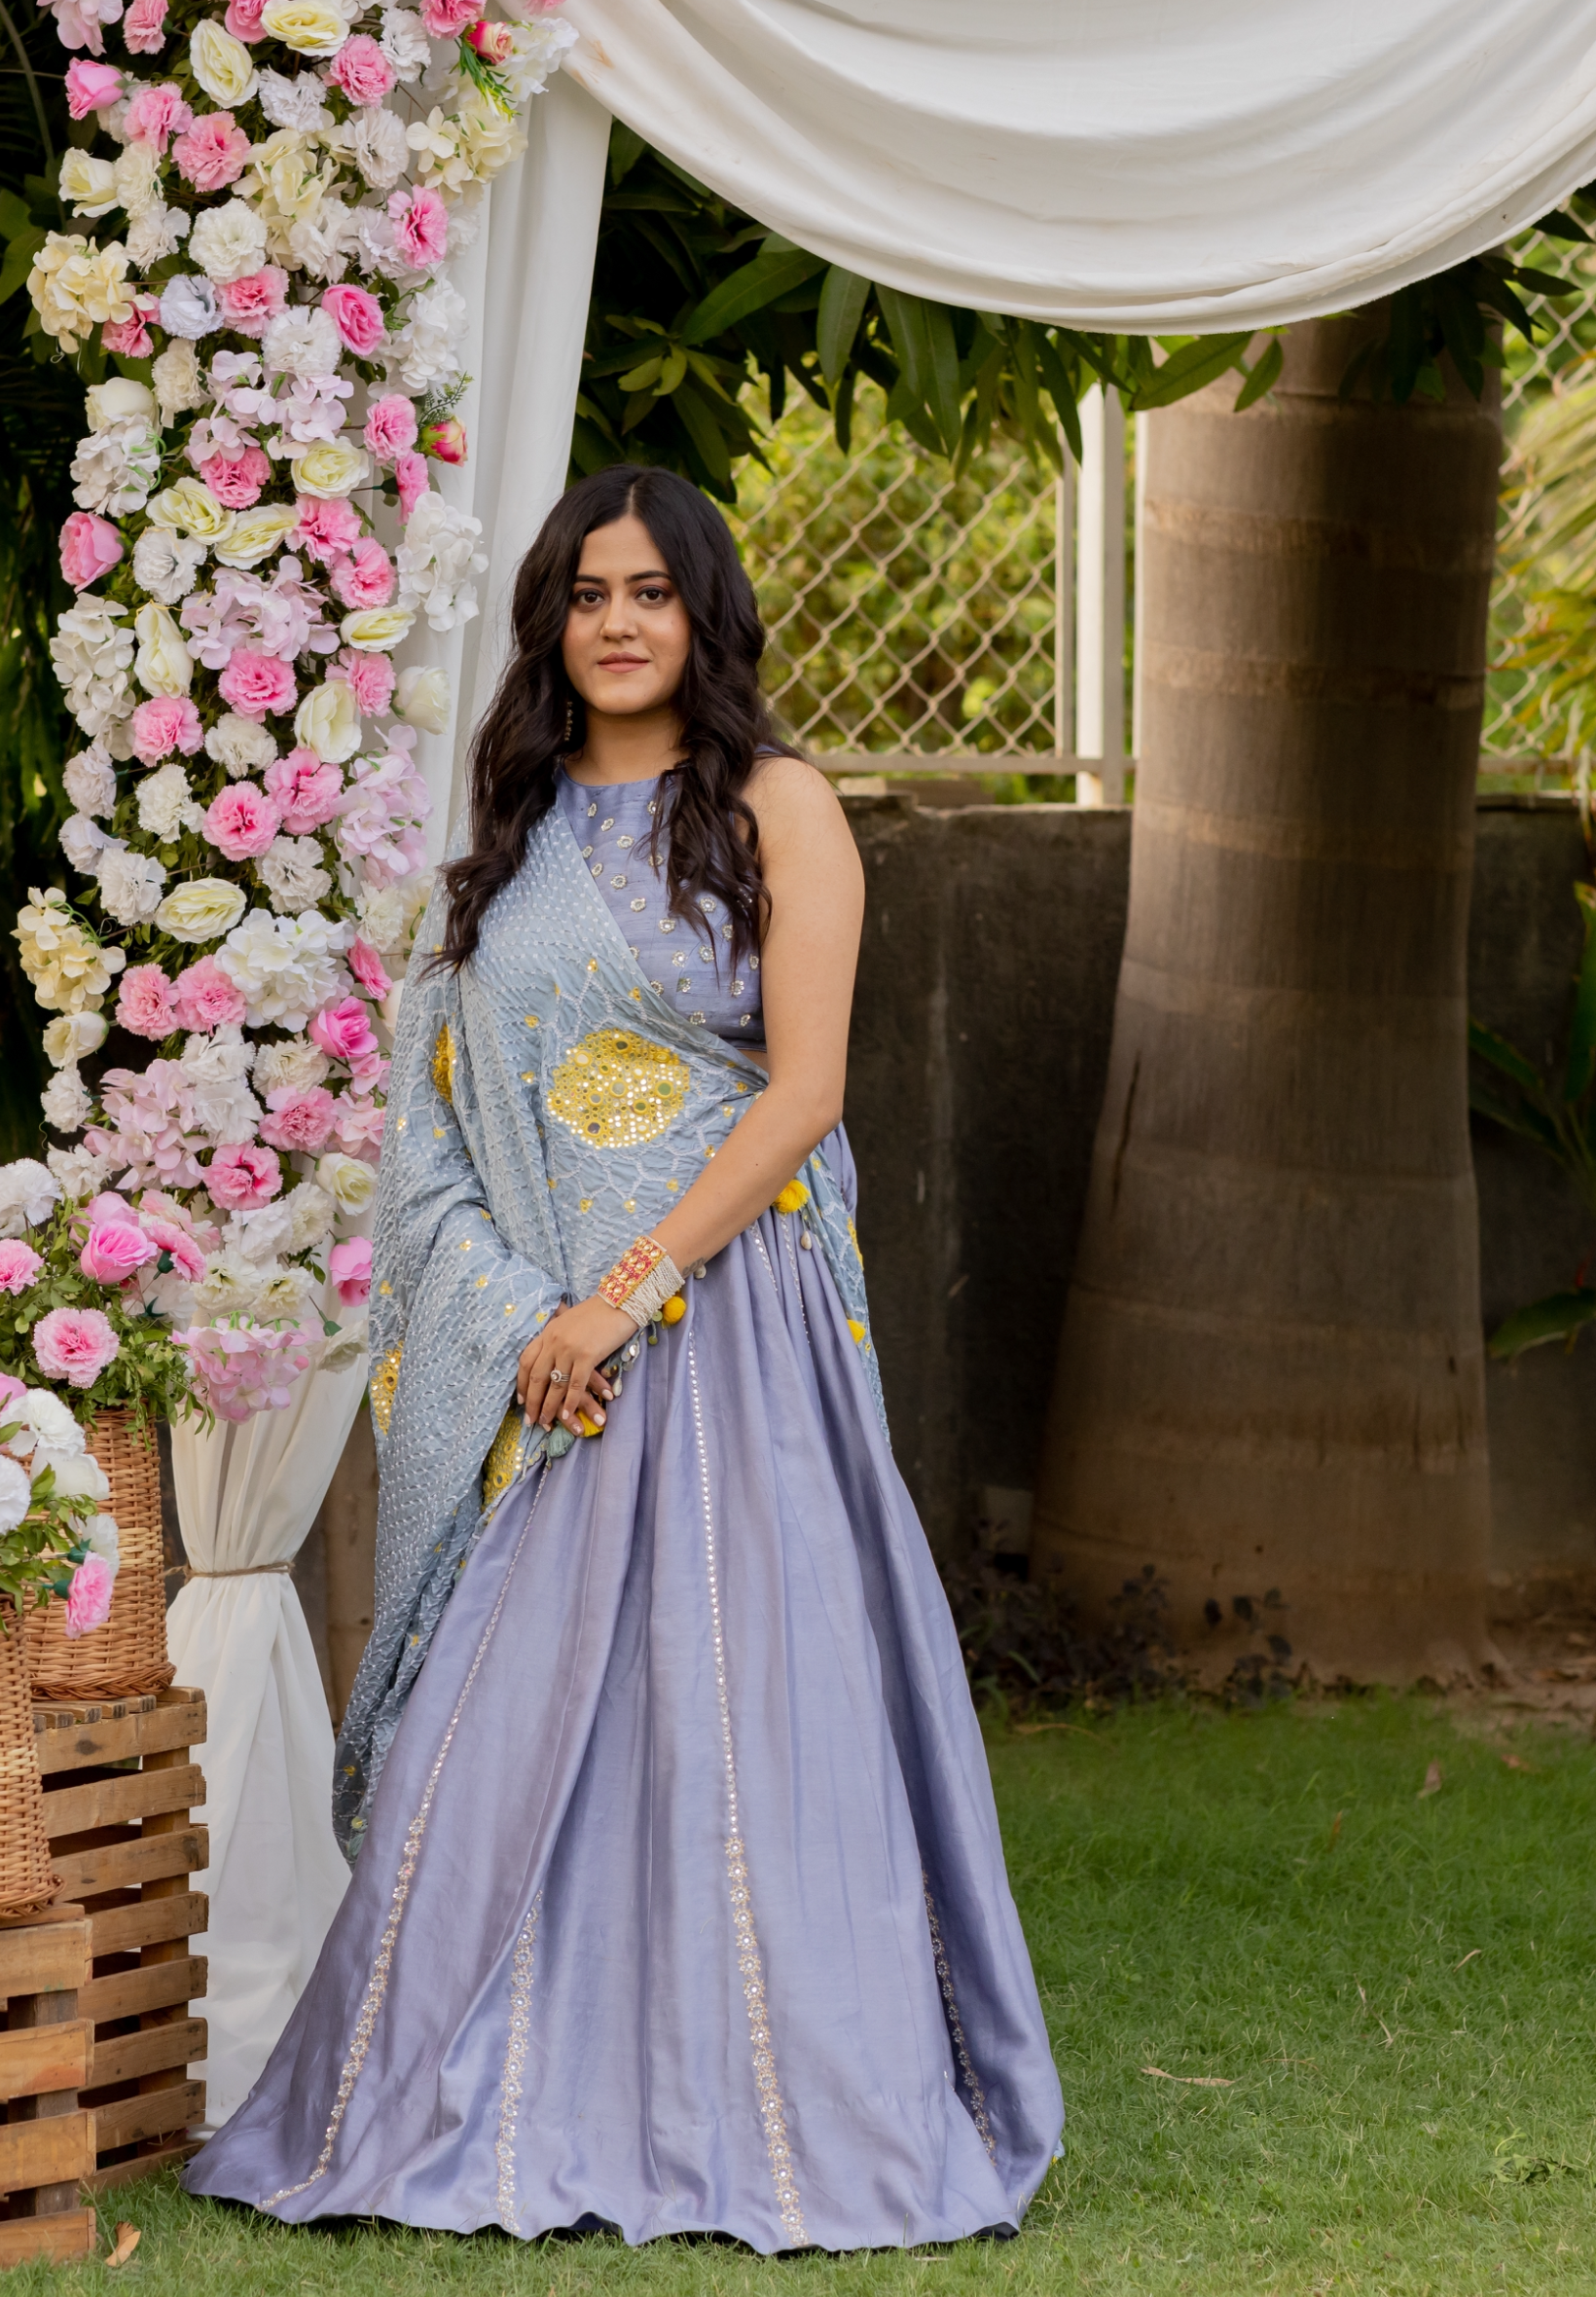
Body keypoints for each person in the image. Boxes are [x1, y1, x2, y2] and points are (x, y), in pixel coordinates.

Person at [185, 465, 1064, 2252]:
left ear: (703, 614)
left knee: (753, 1709)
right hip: (551, 1353)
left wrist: (628, 1291)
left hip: (732, 1330)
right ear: (552, 621)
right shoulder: (507, 837)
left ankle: (775, 2105)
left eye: (652, 592)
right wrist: (534, 1313)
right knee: (495, 1724)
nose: (617, 622)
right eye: (589, 594)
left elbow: (803, 1093)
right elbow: (439, 1129)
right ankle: (469, 2096)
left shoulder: (775, 807)